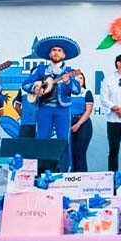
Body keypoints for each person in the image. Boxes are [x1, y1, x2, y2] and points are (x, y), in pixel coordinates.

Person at [22, 35, 82, 172]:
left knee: (63, 140)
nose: (56, 53)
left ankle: (65, 172)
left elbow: (77, 90)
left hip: (62, 109)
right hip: (44, 108)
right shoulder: (41, 70)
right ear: (49, 54)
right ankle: (42, 172)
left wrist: (68, 81)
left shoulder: (69, 71)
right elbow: (25, 84)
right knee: (42, 140)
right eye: (54, 50)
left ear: (64, 54)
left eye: (59, 50)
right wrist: (35, 88)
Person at [70, 71, 94, 172]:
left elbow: (88, 110)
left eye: (81, 78)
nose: (79, 80)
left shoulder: (86, 92)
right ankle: (71, 179)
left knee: (80, 152)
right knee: (70, 153)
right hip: (68, 123)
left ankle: (82, 179)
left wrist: (78, 124)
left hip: (83, 123)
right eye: (76, 78)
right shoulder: (66, 93)